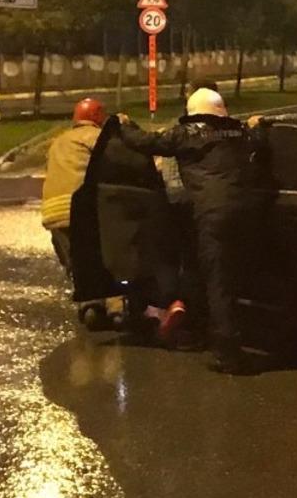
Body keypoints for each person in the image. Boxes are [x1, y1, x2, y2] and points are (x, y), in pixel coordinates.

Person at [117, 86, 256, 374]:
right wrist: (258, 125)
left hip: (212, 215)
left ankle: (227, 353)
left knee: (217, 281)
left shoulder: (187, 134)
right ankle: (232, 331)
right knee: (234, 278)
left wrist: (124, 125)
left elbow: (145, 142)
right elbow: (260, 139)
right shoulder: (240, 132)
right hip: (247, 212)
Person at [42, 98, 106, 273]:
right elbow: (116, 163)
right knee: (96, 262)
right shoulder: (96, 136)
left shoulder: (58, 141)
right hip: (80, 210)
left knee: (75, 267)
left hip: (52, 213)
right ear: (96, 116)